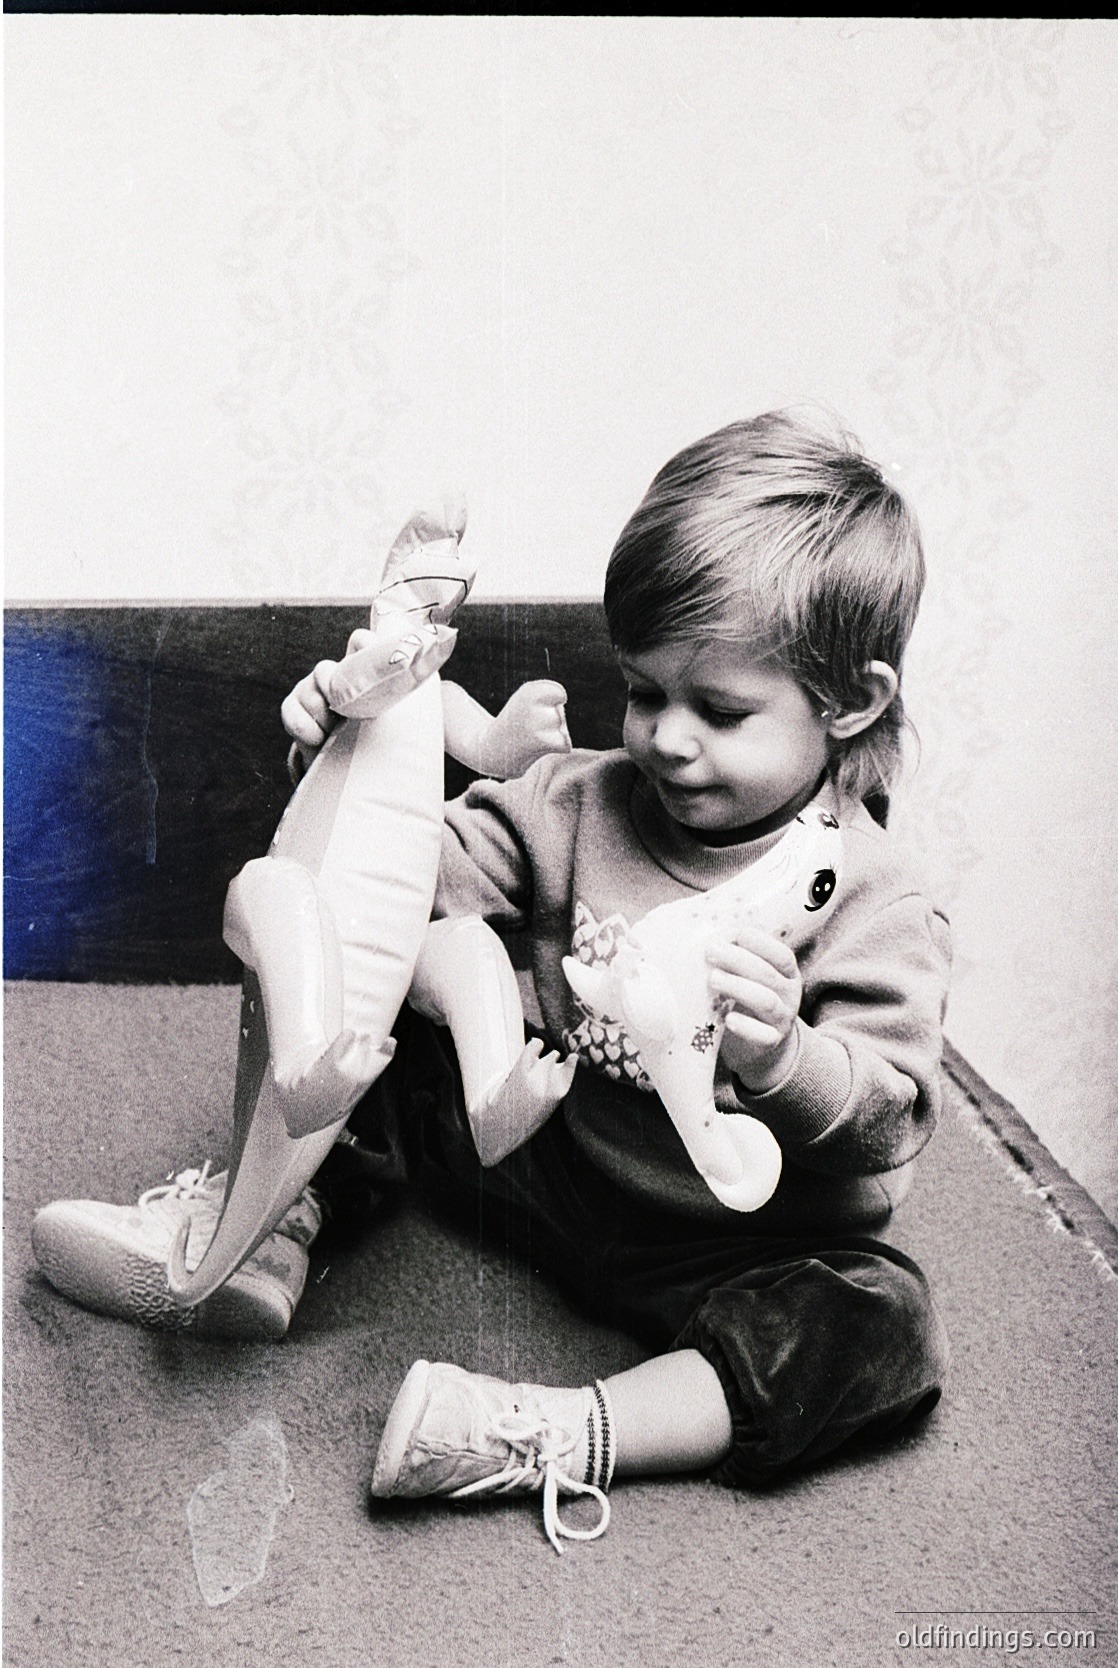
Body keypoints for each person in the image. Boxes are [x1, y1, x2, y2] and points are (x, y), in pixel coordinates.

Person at [35, 410, 952, 1554]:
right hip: (526, 1147)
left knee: (879, 1326)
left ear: (849, 702)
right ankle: (264, 1228)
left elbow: (893, 1117)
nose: (664, 739)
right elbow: (393, 883)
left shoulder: (872, 900)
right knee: (384, 1000)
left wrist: (782, 1059)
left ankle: (549, 1434)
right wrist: (352, 753)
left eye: (717, 711)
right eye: (642, 690)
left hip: (717, 1240)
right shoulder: (582, 797)